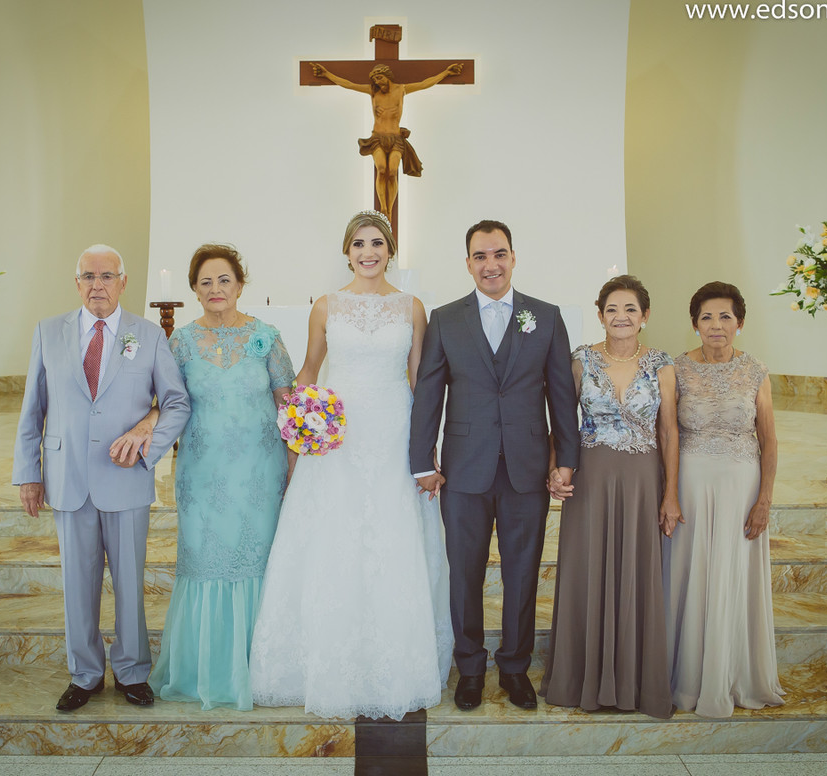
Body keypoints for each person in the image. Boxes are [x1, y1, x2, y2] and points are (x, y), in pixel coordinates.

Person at [249, 209, 452, 721]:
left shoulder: (412, 307)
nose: (368, 252)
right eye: (359, 243)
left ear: (390, 250)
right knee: (333, 537)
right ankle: (326, 660)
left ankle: (395, 662)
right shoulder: (326, 305)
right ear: (347, 251)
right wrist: (297, 425)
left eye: (377, 243)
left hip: (392, 430)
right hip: (336, 434)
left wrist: (426, 447)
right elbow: (311, 369)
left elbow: (419, 379)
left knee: (391, 536)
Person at [409, 220, 580, 712]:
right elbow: (429, 393)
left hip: (527, 467)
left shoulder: (544, 317)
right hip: (463, 468)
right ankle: (469, 667)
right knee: (464, 571)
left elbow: (562, 397)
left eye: (499, 254)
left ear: (513, 258)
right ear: (468, 263)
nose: (491, 264)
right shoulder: (445, 319)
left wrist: (565, 459)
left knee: (522, 572)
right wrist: (423, 460)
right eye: (481, 256)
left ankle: (514, 667)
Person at [12, 244, 190, 712]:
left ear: (123, 282)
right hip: (67, 476)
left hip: (125, 477)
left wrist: (145, 442)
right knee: (78, 582)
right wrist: (28, 473)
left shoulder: (148, 336)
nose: (97, 285)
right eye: (88, 276)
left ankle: (132, 672)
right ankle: (85, 673)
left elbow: (177, 403)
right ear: (76, 283)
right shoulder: (49, 332)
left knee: (129, 582)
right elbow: (33, 408)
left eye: (107, 276)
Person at [138, 244, 296, 710]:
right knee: (207, 560)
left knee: (258, 557)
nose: (215, 289)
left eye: (224, 280)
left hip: (260, 472)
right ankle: (205, 670)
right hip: (203, 475)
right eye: (205, 282)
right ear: (193, 290)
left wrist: (294, 461)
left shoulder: (266, 336)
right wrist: (144, 429)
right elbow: (168, 403)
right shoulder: (180, 342)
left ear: (240, 284)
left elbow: (287, 405)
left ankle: (262, 668)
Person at [540, 274, 679, 720]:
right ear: (600, 315)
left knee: (637, 571)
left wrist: (670, 494)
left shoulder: (662, 364)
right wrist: (553, 469)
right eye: (612, 310)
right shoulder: (580, 359)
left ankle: (635, 680)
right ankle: (580, 677)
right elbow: (561, 420)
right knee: (587, 569)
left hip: (642, 480)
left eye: (630, 310)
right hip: (591, 478)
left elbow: (669, 432)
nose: (621, 317)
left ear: (645, 316)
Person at [664, 281, 785, 717]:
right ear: (694, 324)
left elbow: (769, 440)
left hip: (742, 488)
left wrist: (765, 499)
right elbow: (667, 434)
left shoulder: (755, 371)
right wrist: (669, 494)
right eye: (707, 317)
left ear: (741, 323)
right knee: (688, 573)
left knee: (733, 574)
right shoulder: (676, 369)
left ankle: (731, 675)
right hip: (691, 486)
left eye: (726, 317)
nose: (717, 325)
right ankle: (688, 676)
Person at [309, 61, 463, 216]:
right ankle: (384, 208)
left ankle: (390, 208)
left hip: (395, 138)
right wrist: (326, 74)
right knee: (382, 170)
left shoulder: (401, 89)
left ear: (387, 76)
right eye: (375, 79)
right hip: (377, 138)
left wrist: (446, 73)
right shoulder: (373, 92)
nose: (377, 82)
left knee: (393, 171)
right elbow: (348, 84)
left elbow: (424, 84)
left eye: (380, 78)